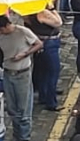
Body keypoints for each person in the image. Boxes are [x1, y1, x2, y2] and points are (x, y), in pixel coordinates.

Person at [0, 13, 43, 141]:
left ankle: (24, 137)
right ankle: (16, 135)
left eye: (1, 30)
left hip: (22, 74)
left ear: (6, 26)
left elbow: (39, 44)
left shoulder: (23, 32)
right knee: (12, 109)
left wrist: (25, 54)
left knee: (24, 110)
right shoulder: (1, 36)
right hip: (7, 73)